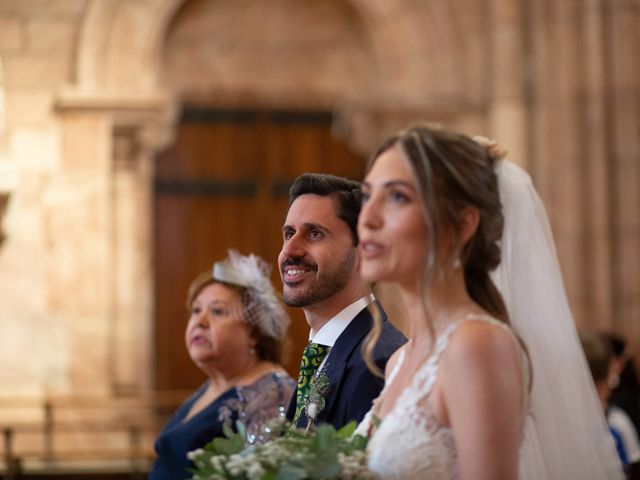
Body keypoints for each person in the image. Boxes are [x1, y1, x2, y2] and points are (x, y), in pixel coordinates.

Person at [354, 124, 624, 479]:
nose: (368, 218)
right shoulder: (400, 359)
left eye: (398, 197)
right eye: (367, 195)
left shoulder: (476, 346)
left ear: (463, 224)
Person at [149, 250, 295, 480]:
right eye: (196, 310)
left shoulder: (274, 393)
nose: (200, 321)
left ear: (254, 332)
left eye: (217, 311)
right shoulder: (214, 383)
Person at [279, 173, 406, 430]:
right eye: (289, 233)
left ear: (363, 251)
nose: (289, 251)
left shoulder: (377, 362)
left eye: (314, 234)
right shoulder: (323, 350)